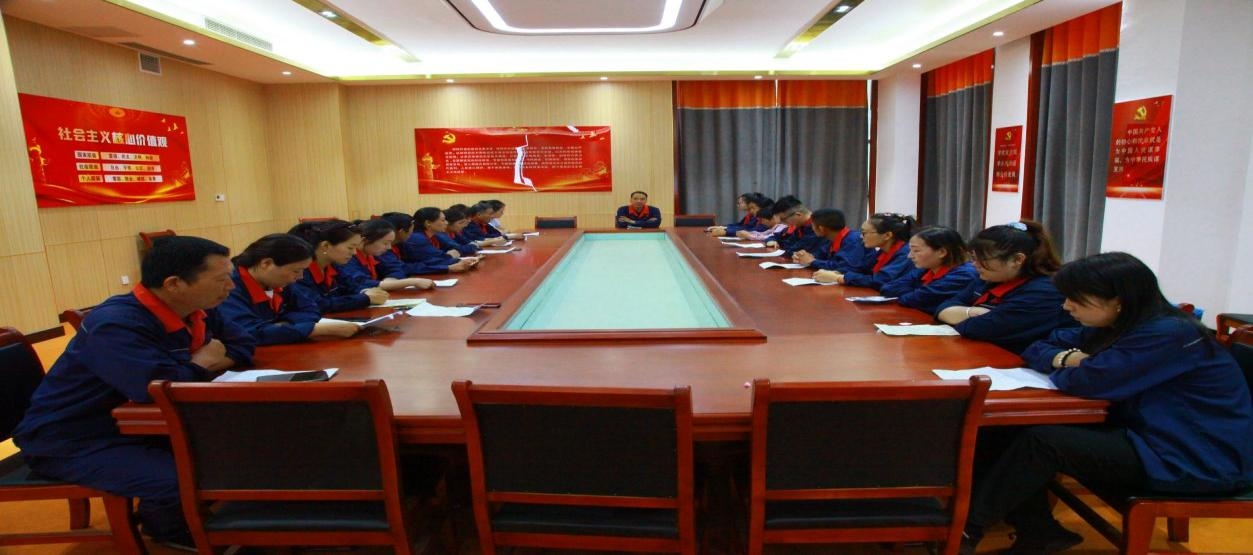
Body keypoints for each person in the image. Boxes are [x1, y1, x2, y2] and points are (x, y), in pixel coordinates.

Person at [961, 252, 1253, 555]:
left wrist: (1074, 365)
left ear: (1118, 299)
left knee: (1043, 441)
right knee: (1006, 428)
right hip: (1151, 435)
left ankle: (967, 531)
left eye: (1076, 299)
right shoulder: (1123, 323)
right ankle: (1039, 531)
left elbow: (1088, 381)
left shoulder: (1168, 333)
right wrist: (1067, 358)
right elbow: (1040, 344)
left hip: (1191, 456)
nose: (1066, 306)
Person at [13, 236, 255, 549]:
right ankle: (169, 528)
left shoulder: (198, 307)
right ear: (174, 284)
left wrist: (200, 363)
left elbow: (243, 344)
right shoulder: (116, 323)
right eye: (222, 279)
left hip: (141, 426)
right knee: (186, 478)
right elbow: (153, 389)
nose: (231, 287)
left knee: (241, 450)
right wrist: (203, 361)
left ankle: (190, 515)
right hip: (73, 438)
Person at [935, 221, 1076, 354]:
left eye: (982, 259)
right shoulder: (989, 277)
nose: (974, 264)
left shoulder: (1044, 291)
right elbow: (942, 308)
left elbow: (979, 329)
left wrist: (959, 315)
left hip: (1021, 361)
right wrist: (970, 312)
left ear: (1017, 259)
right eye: (974, 258)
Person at [219, 233, 360, 344]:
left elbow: (310, 308)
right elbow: (248, 332)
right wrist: (310, 329)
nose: (300, 277)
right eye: (296, 271)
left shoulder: (279, 282)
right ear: (266, 263)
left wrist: (284, 326)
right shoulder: (229, 288)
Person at [288, 219, 389, 313]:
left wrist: (366, 291)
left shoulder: (333, 265)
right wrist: (365, 298)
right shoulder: (300, 272)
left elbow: (351, 285)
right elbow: (316, 304)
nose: (354, 253)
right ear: (325, 246)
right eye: (350, 248)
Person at [880, 226, 978, 314]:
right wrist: (915, 293)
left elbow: (913, 299)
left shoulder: (964, 275)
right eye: (910, 250)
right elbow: (888, 288)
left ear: (942, 252)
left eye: (916, 250)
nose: (909, 256)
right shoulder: (927, 268)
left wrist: (914, 294)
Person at [813, 212, 915, 289]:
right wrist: (836, 272)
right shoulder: (883, 251)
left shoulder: (905, 254)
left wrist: (839, 278)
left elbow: (880, 280)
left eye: (864, 233)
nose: (861, 237)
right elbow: (861, 268)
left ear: (887, 235)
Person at [339, 219, 435, 291]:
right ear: (365, 240)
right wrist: (410, 282)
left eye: (390, 243)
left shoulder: (373, 254)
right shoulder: (347, 258)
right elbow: (361, 283)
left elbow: (395, 268)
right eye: (385, 243)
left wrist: (390, 281)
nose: (389, 247)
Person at [792, 208, 873, 273]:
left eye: (812, 225)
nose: (812, 229)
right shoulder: (831, 238)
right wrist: (802, 256)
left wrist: (812, 261)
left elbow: (845, 268)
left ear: (821, 228)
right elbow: (819, 256)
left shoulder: (854, 240)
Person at [402, 207, 480, 273]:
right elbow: (436, 259)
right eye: (443, 220)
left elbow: (453, 250)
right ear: (428, 223)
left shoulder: (435, 235)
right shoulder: (417, 238)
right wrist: (455, 259)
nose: (446, 223)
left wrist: (455, 258)